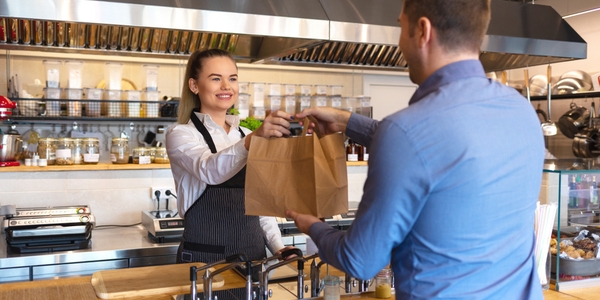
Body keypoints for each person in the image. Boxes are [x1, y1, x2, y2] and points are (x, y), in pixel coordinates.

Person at [287, 0, 545, 299]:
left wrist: (313, 226)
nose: (399, 43)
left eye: (400, 27)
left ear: (422, 31)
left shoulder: (406, 132)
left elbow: (359, 260)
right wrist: (349, 122)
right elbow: (438, 148)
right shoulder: (520, 110)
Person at [166, 49, 294, 272]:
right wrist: (254, 141)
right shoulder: (180, 134)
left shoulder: (245, 135)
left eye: (232, 78)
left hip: (253, 260)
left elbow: (260, 204)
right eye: (216, 78)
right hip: (204, 262)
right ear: (194, 85)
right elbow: (210, 170)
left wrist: (278, 247)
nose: (226, 86)